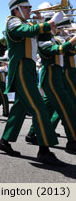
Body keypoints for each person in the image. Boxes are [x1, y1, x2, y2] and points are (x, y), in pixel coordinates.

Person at [0, 0, 65, 166]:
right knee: (39, 109)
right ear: (17, 8)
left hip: (28, 71)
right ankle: (44, 150)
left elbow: (43, 37)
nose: (30, 9)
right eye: (27, 7)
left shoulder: (26, 23)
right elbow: (26, 30)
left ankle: (4, 141)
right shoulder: (12, 22)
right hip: (21, 71)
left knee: (19, 109)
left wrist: (46, 23)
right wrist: (49, 22)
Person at [25, 12, 76, 153]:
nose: (56, 27)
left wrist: (67, 36)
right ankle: (72, 140)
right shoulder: (44, 41)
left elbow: (69, 49)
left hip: (56, 76)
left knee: (49, 108)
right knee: (67, 108)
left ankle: (33, 133)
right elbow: (59, 50)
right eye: (54, 25)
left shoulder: (54, 39)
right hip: (51, 76)